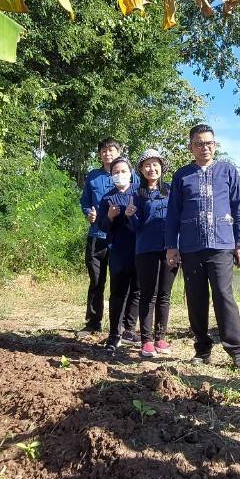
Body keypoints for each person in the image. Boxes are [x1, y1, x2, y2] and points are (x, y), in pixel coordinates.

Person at [164, 124, 240, 370]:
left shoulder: (228, 171)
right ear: (191, 147)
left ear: (215, 144)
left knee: (223, 295)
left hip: (221, 244)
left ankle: (236, 350)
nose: (205, 148)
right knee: (196, 298)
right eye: (199, 143)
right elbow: (173, 214)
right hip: (191, 246)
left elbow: (239, 209)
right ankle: (202, 348)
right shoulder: (182, 175)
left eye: (209, 143)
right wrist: (171, 245)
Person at [130, 149, 175, 359]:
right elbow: (135, 227)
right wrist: (130, 216)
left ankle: (160, 338)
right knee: (148, 294)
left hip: (170, 249)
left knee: (164, 295)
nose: (152, 168)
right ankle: (146, 340)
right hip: (146, 249)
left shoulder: (171, 190)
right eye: (147, 165)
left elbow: (178, 218)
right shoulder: (137, 194)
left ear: (162, 167)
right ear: (141, 169)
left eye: (155, 164)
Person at [96, 156, 141, 352]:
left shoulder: (140, 193)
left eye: (123, 171)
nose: (120, 175)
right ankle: (114, 334)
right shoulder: (107, 198)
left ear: (131, 173)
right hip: (118, 250)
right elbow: (102, 227)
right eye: (115, 172)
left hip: (140, 249)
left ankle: (129, 329)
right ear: (111, 175)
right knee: (118, 293)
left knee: (137, 291)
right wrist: (109, 216)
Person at [79, 138, 122, 334]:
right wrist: (89, 212)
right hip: (97, 235)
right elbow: (85, 201)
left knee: (120, 282)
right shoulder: (93, 176)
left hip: (120, 238)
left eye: (111, 150)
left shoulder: (128, 174)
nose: (107, 154)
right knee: (96, 281)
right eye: (104, 151)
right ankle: (93, 323)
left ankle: (120, 326)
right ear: (99, 154)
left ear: (119, 152)